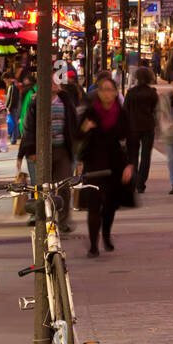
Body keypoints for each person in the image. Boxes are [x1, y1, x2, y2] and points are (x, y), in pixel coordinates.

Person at [76, 73, 133, 257]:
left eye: (111, 90)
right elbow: (78, 135)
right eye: (104, 90)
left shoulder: (122, 113)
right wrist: (85, 128)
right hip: (94, 161)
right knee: (94, 204)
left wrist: (129, 165)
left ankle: (106, 235)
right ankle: (94, 244)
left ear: (116, 93)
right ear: (98, 93)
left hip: (115, 163)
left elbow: (131, 139)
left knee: (110, 204)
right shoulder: (90, 111)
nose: (107, 94)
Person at [20, 77, 79, 233]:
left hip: (63, 150)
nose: (53, 84)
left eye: (55, 82)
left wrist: (76, 150)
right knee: (44, 188)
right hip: (42, 152)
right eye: (50, 81)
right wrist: (31, 151)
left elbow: (73, 124)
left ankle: (64, 220)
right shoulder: (35, 102)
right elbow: (28, 128)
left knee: (64, 186)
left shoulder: (65, 101)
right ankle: (46, 219)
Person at [124, 66, 160, 193]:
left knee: (133, 156)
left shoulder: (131, 93)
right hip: (148, 127)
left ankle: (135, 180)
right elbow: (156, 110)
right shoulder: (152, 93)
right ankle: (141, 183)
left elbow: (125, 111)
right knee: (146, 156)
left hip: (133, 128)